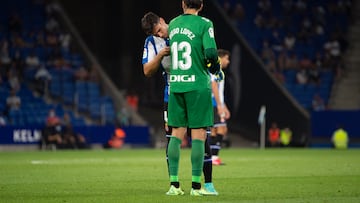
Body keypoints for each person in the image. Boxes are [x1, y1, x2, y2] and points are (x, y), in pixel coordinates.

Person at [141, 11, 218, 195]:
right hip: (173, 92)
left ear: (162, 21)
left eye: (159, 30)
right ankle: (176, 185)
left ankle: (207, 183)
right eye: (156, 34)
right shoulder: (153, 42)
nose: (160, 35)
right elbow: (147, 70)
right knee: (176, 137)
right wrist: (160, 55)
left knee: (200, 136)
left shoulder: (179, 29)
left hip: (185, 88)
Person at [166, 0, 222, 196]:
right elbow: (211, 52)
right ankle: (197, 187)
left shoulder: (173, 24)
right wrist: (215, 68)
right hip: (197, 86)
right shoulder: (205, 23)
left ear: (183, 4)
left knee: (176, 135)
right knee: (198, 136)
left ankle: (174, 185)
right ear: (201, 5)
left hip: (177, 85)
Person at [210, 49, 231, 165]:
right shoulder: (216, 70)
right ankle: (213, 157)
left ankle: (212, 157)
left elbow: (220, 91)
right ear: (221, 58)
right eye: (227, 58)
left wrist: (224, 106)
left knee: (214, 130)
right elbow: (214, 87)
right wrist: (219, 105)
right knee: (222, 129)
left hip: (214, 103)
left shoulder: (218, 71)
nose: (228, 61)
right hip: (213, 102)